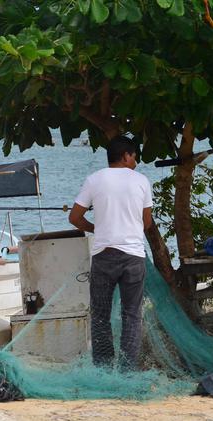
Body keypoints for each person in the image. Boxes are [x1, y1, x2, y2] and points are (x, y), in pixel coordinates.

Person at [68, 136, 153, 370]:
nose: (135, 161)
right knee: (132, 316)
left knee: (100, 316)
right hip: (134, 257)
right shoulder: (142, 181)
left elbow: (74, 217)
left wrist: (96, 228)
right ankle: (128, 370)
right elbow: (147, 222)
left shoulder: (94, 180)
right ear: (126, 156)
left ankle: (103, 369)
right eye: (134, 156)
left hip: (104, 255)